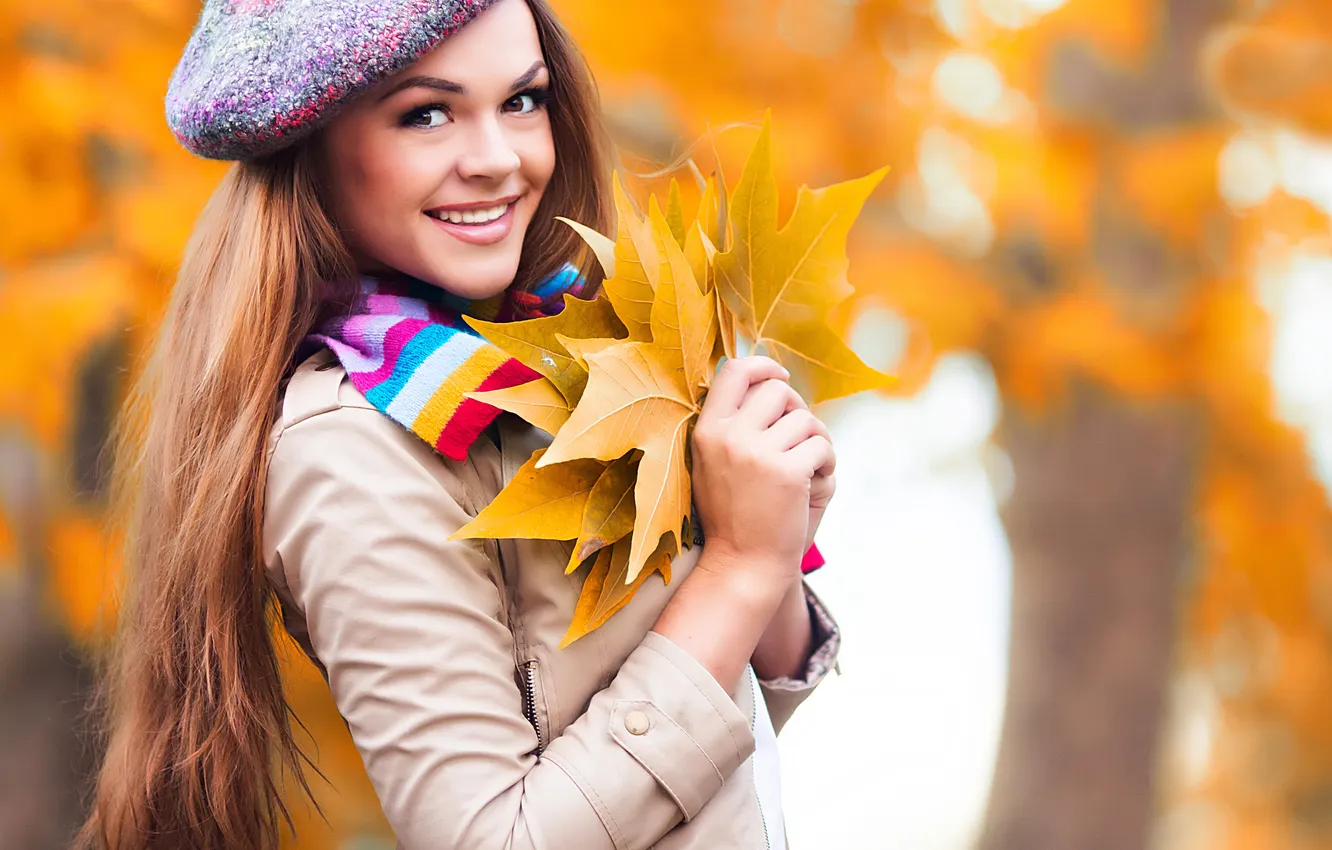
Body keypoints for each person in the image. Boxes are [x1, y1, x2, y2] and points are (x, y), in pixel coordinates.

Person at [75, 1, 841, 848]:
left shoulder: (561, 351)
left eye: (522, 100)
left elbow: (710, 752)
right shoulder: (348, 448)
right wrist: (736, 568)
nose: (498, 158)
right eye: (426, 114)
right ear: (311, 147)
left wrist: (768, 536)